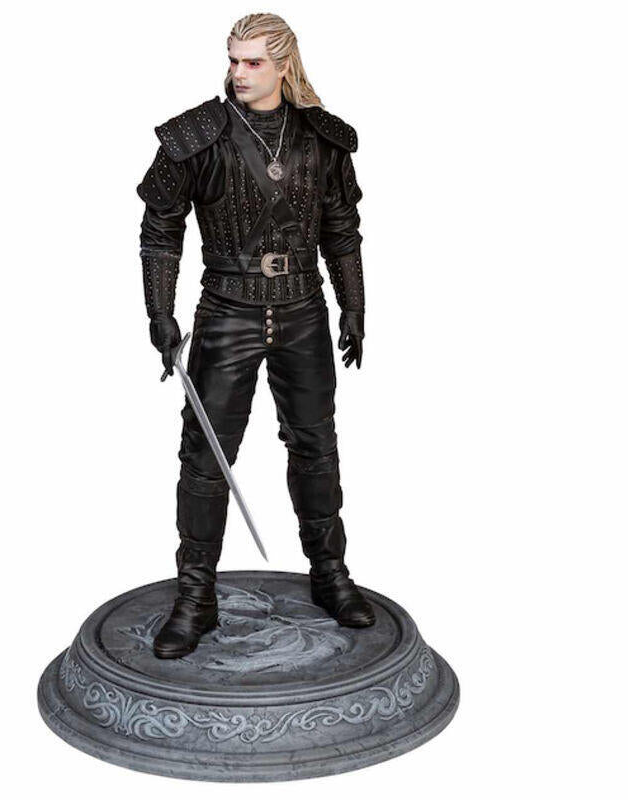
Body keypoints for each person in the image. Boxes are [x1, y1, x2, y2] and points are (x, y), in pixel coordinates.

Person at [137, 13, 374, 659]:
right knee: (206, 457)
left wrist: (354, 306)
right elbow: (160, 229)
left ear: (283, 65)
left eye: (254, 62)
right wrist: (160, 312)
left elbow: (342, 230)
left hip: (303, 310)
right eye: (233, 59)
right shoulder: (196, 136)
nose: (239, 73)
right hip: (227, 311)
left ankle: (330, 575)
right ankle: (196, 597)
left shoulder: (323, 138)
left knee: (316, 446)